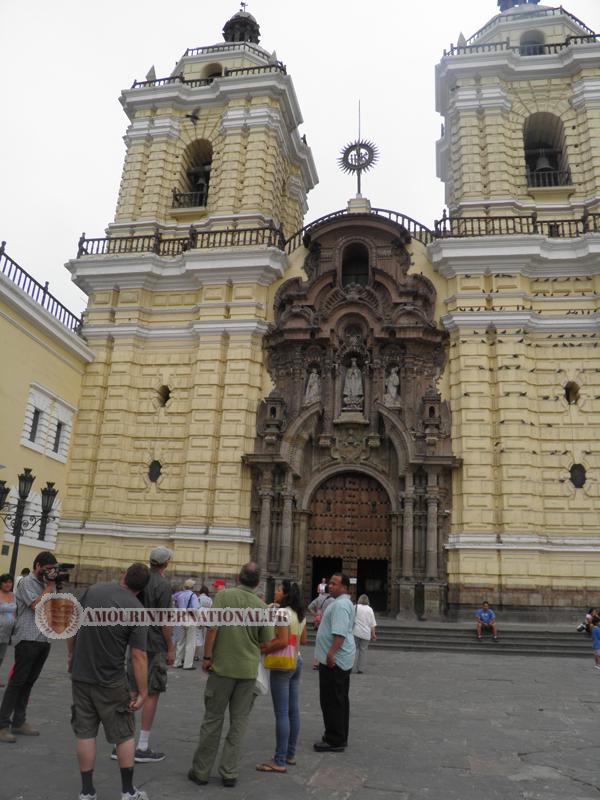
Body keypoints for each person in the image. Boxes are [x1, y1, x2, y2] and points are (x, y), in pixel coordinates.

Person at [68, 563, 151, 800]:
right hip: (112, 680)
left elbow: (72, 624)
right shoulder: (137, 609)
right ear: (142, 588)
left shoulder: (93, 590)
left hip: (82, 675)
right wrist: (143, 691)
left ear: (124, 575)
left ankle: (86, 792)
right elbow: (138, 656)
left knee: (85, 733)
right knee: (123, 734)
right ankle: (127, 791)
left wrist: (71, 655)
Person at [188, 562, 273, 788]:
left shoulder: (224, 597)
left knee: (212, 720)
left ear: (238, 577)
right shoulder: (262, 607)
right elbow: (267, 641)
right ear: (257, 582)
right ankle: (229, 772)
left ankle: (201, 771)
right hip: (247, 672)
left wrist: (207, 658)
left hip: (222, 669)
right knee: (239, 722)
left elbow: (213, 629)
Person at [0, 551, 58, 743]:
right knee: (17, 682)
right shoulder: (26, 582)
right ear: (38, 565)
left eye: (53, 571)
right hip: (27, 639)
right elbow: (36, 605)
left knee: (29, 682)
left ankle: (19, 721)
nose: (50, 573)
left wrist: (51, 587)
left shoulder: (48, 585)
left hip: (44, 640)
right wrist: (49, 587)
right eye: (48, 569)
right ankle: (2, 725)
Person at [129, 546, 175, 763]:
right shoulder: (164, 585)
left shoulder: (139, 580)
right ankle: (142, 745)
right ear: (165, 563)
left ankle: (120, 742)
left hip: (135, 641)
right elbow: (165, 621)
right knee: (152, 692)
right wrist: (171, 647)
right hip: (155, 644)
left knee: (131, 690)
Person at [256, 580, 307, 773]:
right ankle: (290, 754)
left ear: (284, 594)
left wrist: (264, 647)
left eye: (278, 590)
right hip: (297, 661)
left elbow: (283, 641)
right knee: (293, 711)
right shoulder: (298, 614)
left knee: (282, 713)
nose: (276, 592)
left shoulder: (282, 613)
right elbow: (303, 639)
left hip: (283, 665)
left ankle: (279, 760)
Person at [314, 573, 356, 753]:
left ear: (345, 588)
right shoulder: (344, 603)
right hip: (341, 659)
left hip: (335, 661)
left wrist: (330, 653)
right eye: (330, 583)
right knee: (339, 700)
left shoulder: (339, 605)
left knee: (331, 700)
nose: (330, 586)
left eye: (334, 584)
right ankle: (339, 735)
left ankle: (334, 739)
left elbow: (339, 634)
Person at [173, 579, 200, 670]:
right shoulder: (193, 595)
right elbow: (195, 609)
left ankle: (177, 662)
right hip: (190, 620)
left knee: (180, 642)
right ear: (192, 587)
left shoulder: (180, 595)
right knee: (190, 643)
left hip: (181, 619)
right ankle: (188, 664)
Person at [308, 589, 335, 669]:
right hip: (329, 624)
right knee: (328, 643)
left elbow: (309, 607)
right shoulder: (334, 600)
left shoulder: (319, 598)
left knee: (318, 643)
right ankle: (325, 661)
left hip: (319, 622)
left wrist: (316, 615)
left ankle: (316, 663)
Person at [353, 594, 376, 674]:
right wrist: (373, 634)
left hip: (355, 632)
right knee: (363, 651)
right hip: (366, 633)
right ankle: (360, 669)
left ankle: (349, 666)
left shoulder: (355, 607)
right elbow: (372, 624)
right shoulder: (370, 609)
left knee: (353, 650)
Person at [0, 574, 17, 687]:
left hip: (6, 632)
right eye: (5, 582)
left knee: (1, 656)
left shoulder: (13, 595)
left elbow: (15, 612)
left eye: (10, 582)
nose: (8, 584)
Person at [194, 585, 212, 662]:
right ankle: (206, 655)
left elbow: (196, 609)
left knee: (198, 637)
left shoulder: (198, 598)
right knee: (206, 638)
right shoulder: (210, 599)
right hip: (207, 620)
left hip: (199, 619)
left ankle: (196, 655)